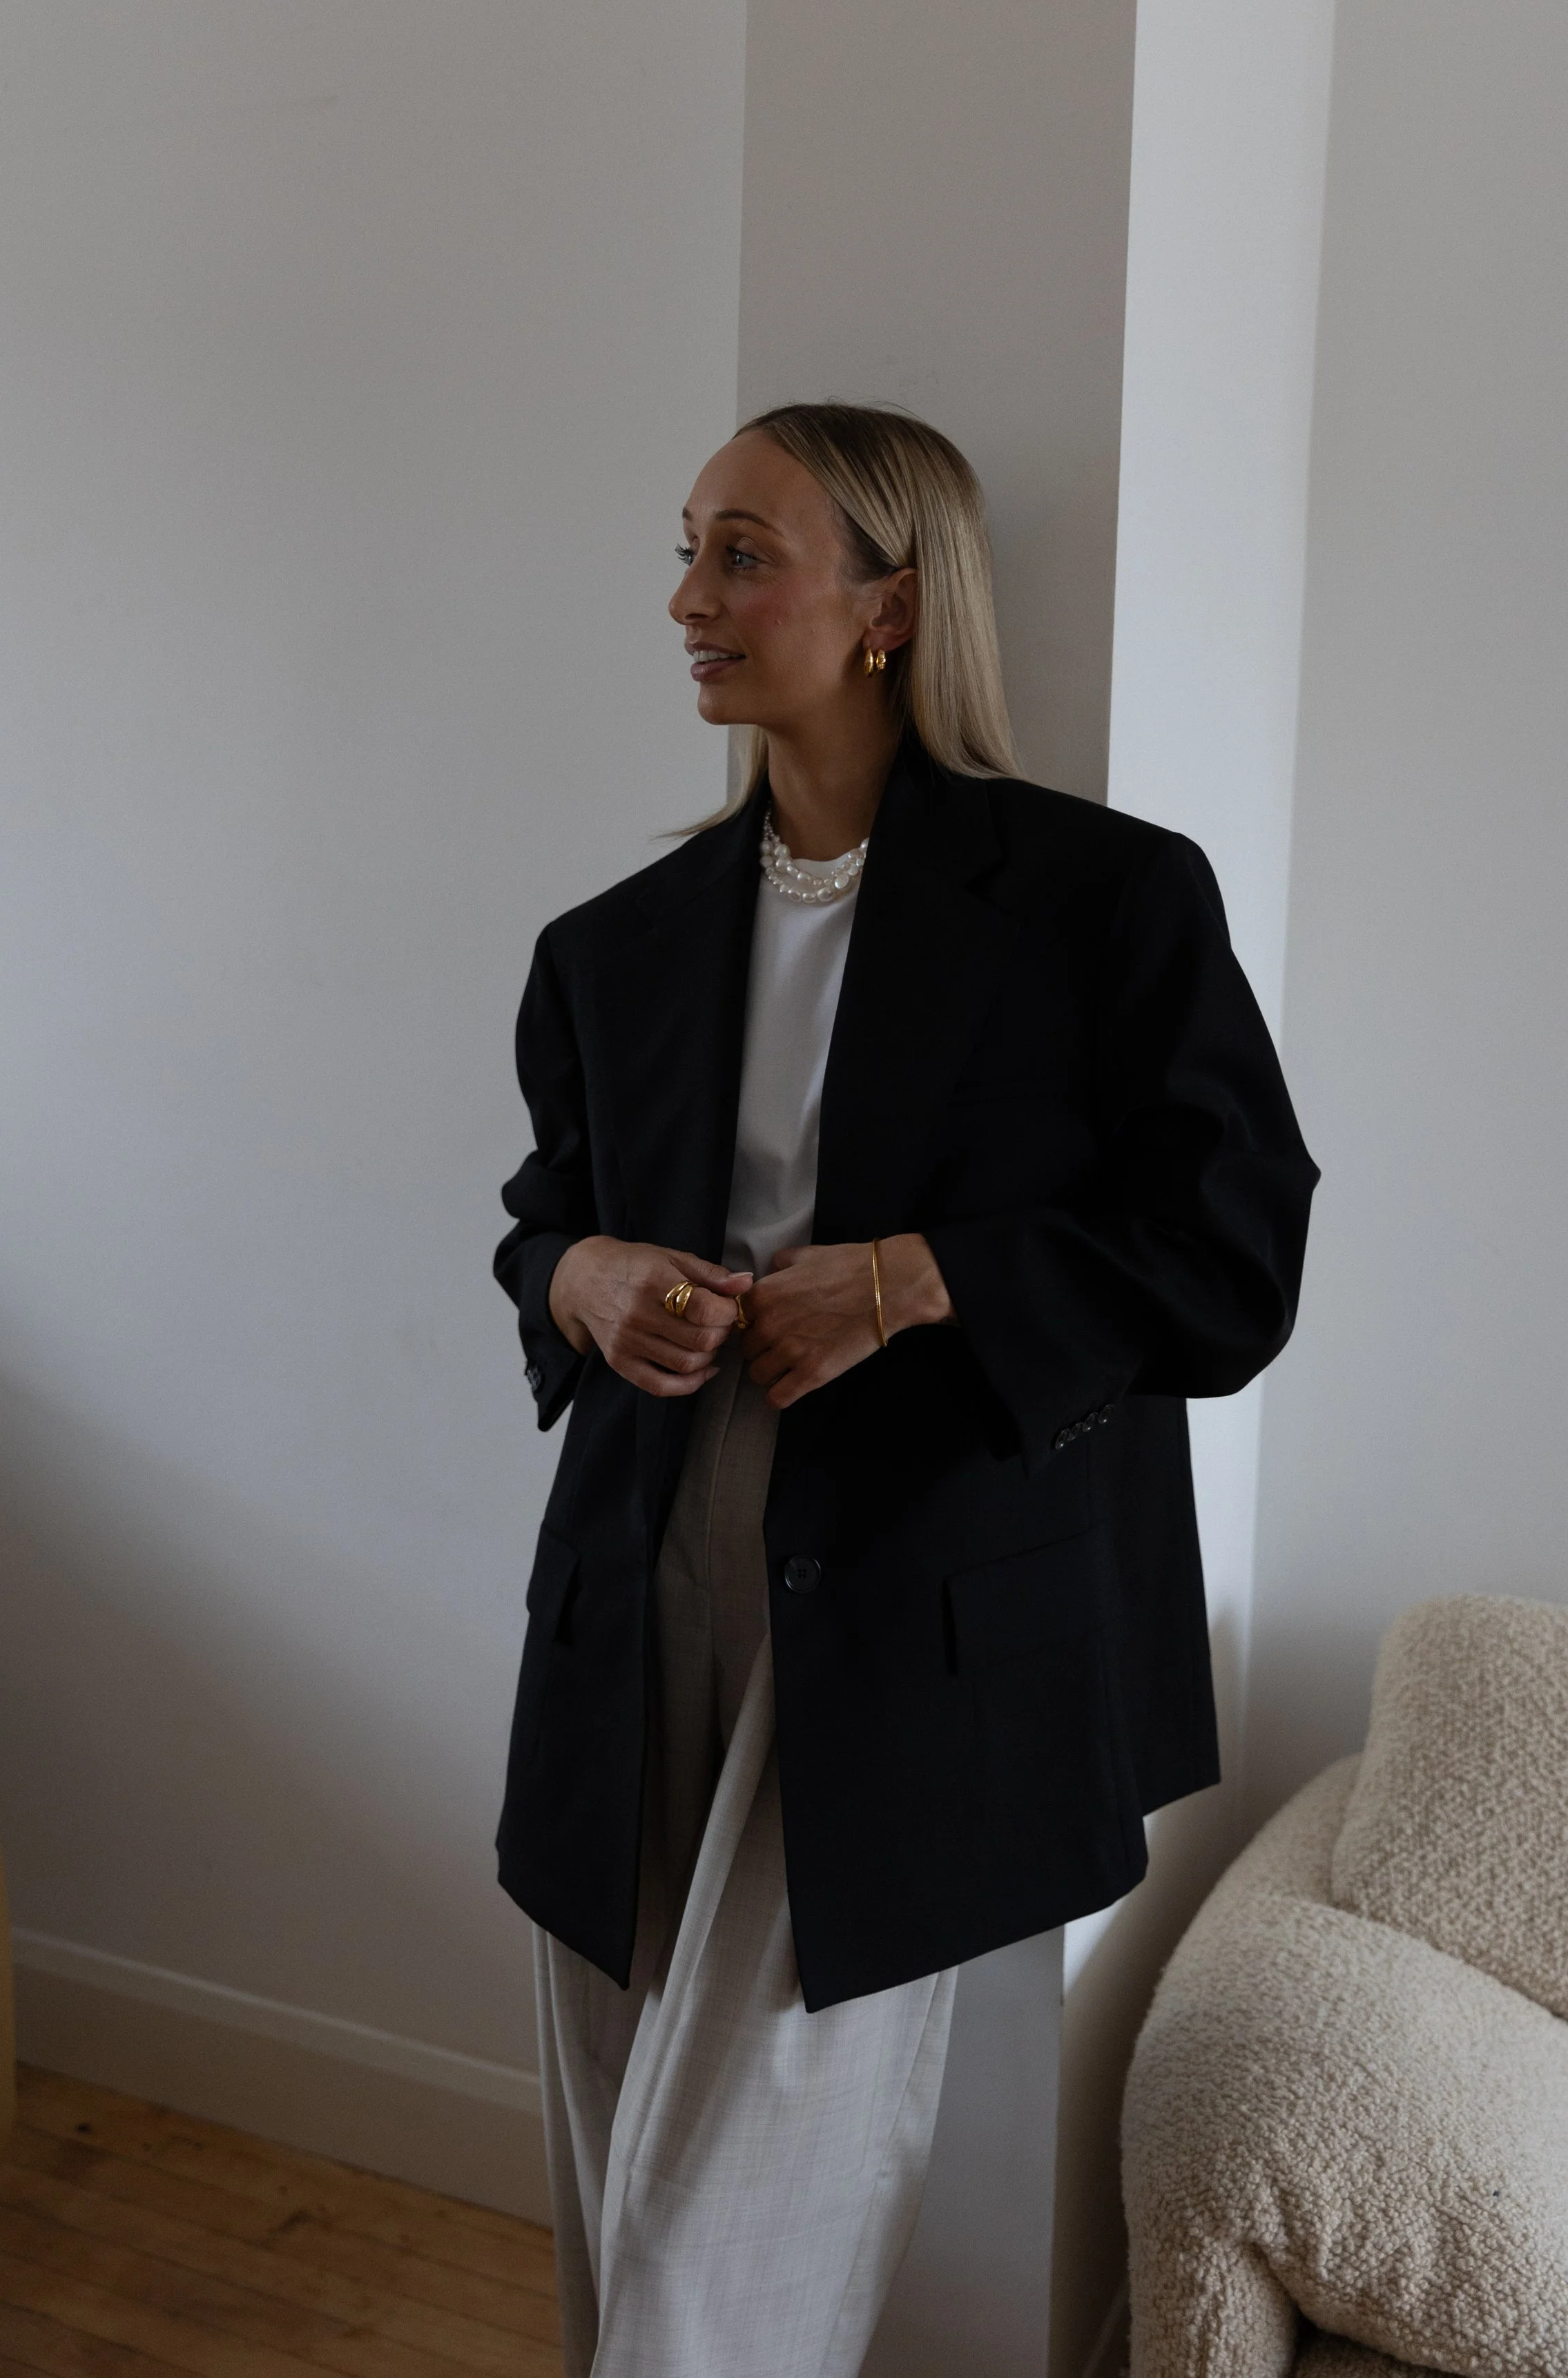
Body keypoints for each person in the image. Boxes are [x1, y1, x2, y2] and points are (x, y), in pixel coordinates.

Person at [493, 402, 1317, 2378]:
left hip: (917, 1579)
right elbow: (545, 1219)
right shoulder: (613, 946)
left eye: (743, 553)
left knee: (737, 2198)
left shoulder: (1105, 901)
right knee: (615, 2163)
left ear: (888, 604)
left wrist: (921, 1279)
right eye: (686, 548)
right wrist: (584, 1274)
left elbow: (1234, 1258)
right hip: (642, 1555)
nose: (688, 597)